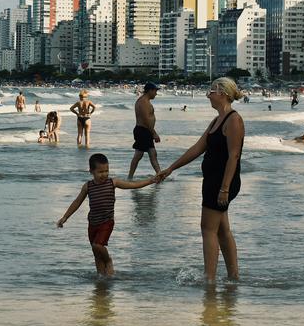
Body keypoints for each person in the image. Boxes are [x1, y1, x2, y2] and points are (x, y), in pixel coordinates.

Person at [157, 77, 245, 283]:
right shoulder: (216, 121)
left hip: (222, 182)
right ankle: (233, 277)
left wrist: (224, 188)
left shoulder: (234, 119)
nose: (208, 95)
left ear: (222, 93)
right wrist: (171, 168)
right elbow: (197, 148)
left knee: (207, 229)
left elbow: (234, 156)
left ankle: (210, 279)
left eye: (211, 91)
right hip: (213, 180)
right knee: (222, 230)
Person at [57, 153, 160, 277]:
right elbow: (77, 202)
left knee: (98, 245)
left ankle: (108, 260)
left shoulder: (113, 182)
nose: (104, 174)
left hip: (107, 222)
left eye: (107, 171)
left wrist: (150, 181)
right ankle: (101, 278)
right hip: (93, 223)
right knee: (96, 253)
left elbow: (133, 185)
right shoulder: (88, 186)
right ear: (91, 171)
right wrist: (65, 217)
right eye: (100, 172)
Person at [127, 82, 161, 179]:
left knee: (148, 154)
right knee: (143, 154)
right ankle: (130, 177)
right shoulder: (143, 102)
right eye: (155, 91)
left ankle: (159, 174)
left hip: (145, 131)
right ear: (150, 90)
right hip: (143, 131)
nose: (156, 93)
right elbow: (146, 119)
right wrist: (154, 133)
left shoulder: (144, 101)